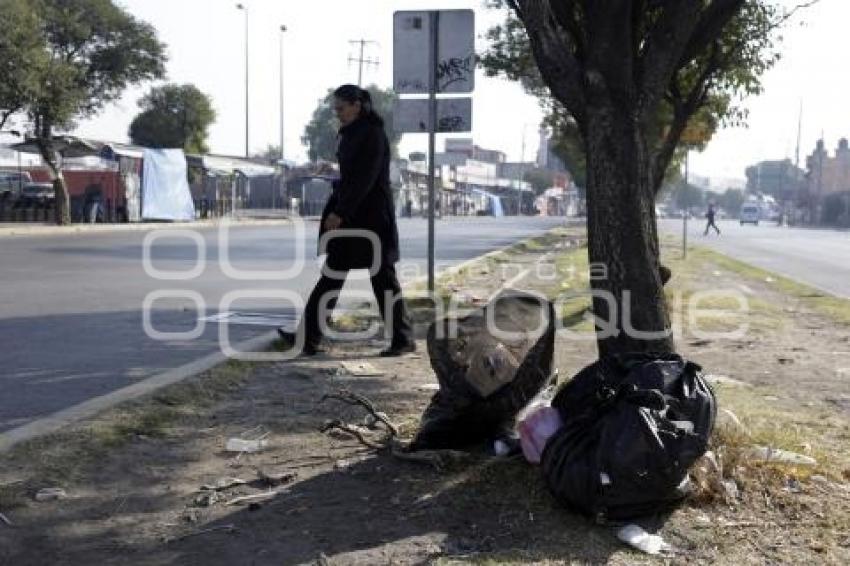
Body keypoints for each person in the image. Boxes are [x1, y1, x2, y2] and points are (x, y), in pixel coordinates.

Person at [278, 85, 414, 357]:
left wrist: (340, 212)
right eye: (336, 109)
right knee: (332, 276)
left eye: (341, 108)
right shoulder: (351, 133)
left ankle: (402, 339)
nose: (337, 114)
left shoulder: (372, 134)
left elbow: (365, 179)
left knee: (383, 280)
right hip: (353, 219)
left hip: (372, 219)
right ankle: (307, 338)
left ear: (357, 105)